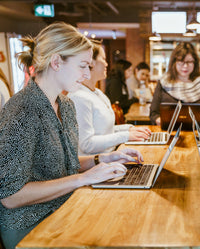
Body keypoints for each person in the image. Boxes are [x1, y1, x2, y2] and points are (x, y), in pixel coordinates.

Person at [0, 22, 143, 249]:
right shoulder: (22, 110)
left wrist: (101, 160)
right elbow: (10, 196)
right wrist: (83, 178)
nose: (88, 74)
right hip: (30, 226)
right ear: (56, 62)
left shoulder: (65, 105)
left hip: (66, 208)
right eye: (83, 66)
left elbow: (67, 165)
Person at [68, 40, 151, 156]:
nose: (107, 64)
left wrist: (130, 129)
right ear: (90, 62)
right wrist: (126, 135)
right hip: (96, 166)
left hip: (112, 156)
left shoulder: (97, 93)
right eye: (103, 59)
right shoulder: (79, 97)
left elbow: (107, 131)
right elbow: (87, 144)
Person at [150, 42, 200, 125]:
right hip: (169, 132)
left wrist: (195, 122)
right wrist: (168, 123)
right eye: (181, 61)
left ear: (195, 63)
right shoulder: (164, 82)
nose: (185, 66)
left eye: (189, 62)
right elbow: (154, 114)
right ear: (174, 62)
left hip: (197, 132)